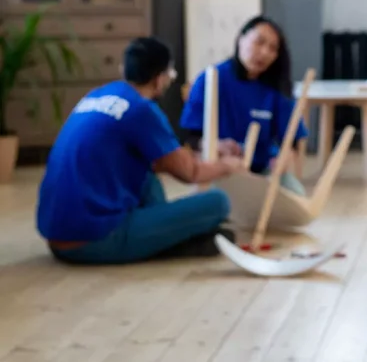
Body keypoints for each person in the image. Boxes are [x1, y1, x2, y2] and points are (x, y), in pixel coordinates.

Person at [37, 37, 242, 265]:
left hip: (57, 236)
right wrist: (228, 165)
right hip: (95, 239)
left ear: (123, 69)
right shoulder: (142, 110)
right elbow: (190, 173)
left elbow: (164, 160)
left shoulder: (97, 96)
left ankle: (165, 237)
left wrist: (209, 149)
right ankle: (165, 241)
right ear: (160, 79)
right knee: (218, 202)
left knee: (147, 175)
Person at [180, 15, 308, 196]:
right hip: (220, 170)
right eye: (259, 42)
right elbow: (189, 137)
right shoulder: (211, 79)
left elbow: (292, 139)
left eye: (272, 48)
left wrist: (285, 156)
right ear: (241, 39)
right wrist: (216, 144)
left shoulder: (276, 88)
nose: (264, 52)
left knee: (297, 199)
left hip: (262, 171)